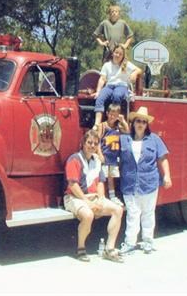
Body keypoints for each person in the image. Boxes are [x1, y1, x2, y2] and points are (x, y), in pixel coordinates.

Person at [118, 106, 172, 255]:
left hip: (149, 183)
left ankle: (148, 241)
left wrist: (167, 175)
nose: (140, 124)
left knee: (148, 213)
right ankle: (129, 243)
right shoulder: (124, 139)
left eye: (143, 121)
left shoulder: (154, 139)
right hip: (129, 184)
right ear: (133, 123)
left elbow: (162, 158)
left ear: (147, 124)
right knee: (132, 214)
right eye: (138, 121)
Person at [64, 130, 124, 263]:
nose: (92, 146)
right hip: (75, 197)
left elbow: (100, 182)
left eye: (95, 143)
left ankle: (109, 249)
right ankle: (81, 248)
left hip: (93, 196)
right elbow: (73, 185)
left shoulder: (97, 160)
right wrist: (88, 202)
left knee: (118, 210)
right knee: (88, 215)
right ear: (83, 143)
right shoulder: (74, 159)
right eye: (89, 142)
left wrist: (101, 198)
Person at [92, 44, 142, 127]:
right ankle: (97, 124)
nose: (118, 55)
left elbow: (139, 70)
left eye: (120, 54)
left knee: (117, 95)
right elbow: (102, 79)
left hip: (121, 86)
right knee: (100, 98)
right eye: (116, 52)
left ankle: (115, 122)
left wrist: (135, 73)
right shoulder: (107, 65)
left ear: (123, 56)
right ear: (113, 53)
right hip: (109, 86)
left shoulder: (126, 64)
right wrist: (98, 91)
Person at [96, 103, 129, 207]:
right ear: (107, 113)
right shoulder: (103, 126)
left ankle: (112, 196)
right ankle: (102, 196)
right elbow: (97, 141)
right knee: (102, 177)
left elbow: (128, 132)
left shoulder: (118, 127)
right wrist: (100, 154)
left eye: (115, 115)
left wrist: (123, 121)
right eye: (110, 114)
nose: (112, 117)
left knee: (111, 177)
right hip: (105, 156)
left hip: (114, 158)